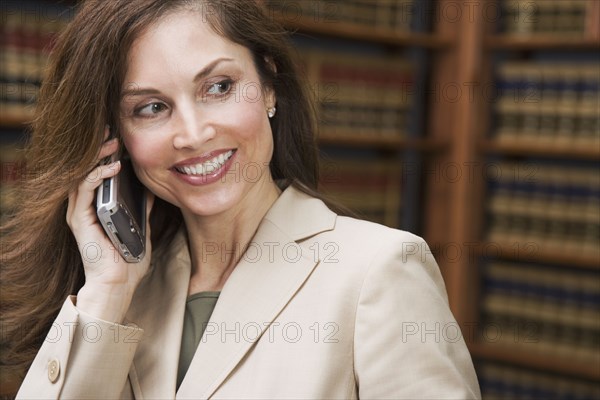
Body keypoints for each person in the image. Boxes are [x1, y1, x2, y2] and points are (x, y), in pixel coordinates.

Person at [1, 0, 481, 398]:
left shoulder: (379, 271)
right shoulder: (122, 293)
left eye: (219, 87)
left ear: (269, 85)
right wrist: (106, 293)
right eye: (151, 108)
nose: (192, 134)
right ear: (116, 139)